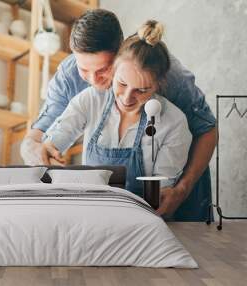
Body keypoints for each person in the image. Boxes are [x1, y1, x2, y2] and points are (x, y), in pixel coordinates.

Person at [20, 9, 216, 221]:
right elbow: (36, 138)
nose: (94, 81)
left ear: (120, 53)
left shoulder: (163, 72)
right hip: (106, 213)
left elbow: (208, 130)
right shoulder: (70, 76)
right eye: (84, 69)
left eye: (103, 70)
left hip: (177, 196)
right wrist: (38, 152)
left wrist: (182, 189)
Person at [43, 20, 192, 203]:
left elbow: (160, 192)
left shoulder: (174, 123)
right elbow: (56, 139)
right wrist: (49, 149)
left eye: (142, 90)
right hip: (90, 211)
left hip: (140, 217)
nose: (127, 98)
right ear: (113, 70)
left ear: (158, 85)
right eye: (121, 83)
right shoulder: (90, 100)